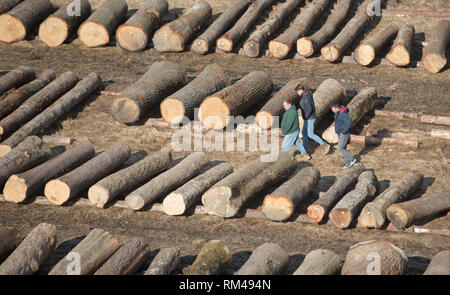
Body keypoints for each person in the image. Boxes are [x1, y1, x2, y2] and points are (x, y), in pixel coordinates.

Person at [296, 83, 331, 156]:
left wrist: (305, 117)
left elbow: (309, 109)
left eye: (297, 91)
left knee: (310, 134)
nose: (297, 93)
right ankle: (304, 148)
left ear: (300, 90)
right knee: (304, 133)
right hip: (306, 118)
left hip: (309, 118)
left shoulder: (306, 97)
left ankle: (325, 145)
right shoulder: (304, 95)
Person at [331, 103, 357, 168]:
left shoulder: (344, 114)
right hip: (339, 133)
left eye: (333, 109)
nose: (332, 111)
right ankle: (347, 163)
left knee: (340, 148)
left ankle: (351, 159)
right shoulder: (337, 112)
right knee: (344, 148)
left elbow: (348, 124)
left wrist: (343, 132)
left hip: (344, 133)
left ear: (337, 108)